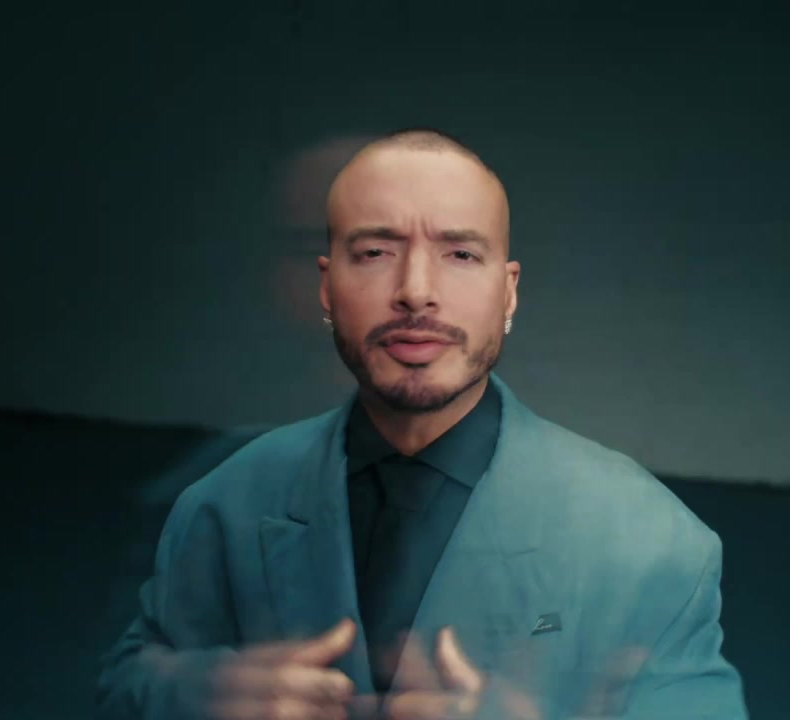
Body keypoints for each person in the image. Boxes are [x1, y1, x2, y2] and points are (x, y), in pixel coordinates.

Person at [96, 129, 748, 720]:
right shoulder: (222, 503)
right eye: (375, 251)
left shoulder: (653, 542)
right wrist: (195, 696)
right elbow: (129, 681)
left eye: (459, 253)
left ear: (509, 290)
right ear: (327, 287)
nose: (414, 289)